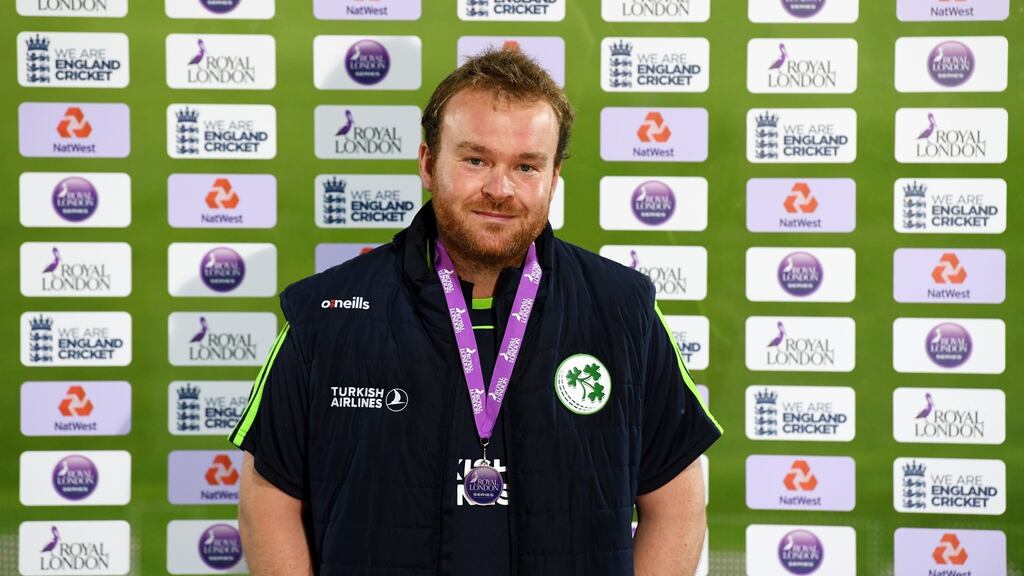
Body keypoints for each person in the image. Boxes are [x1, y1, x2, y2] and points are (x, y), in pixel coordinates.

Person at [229, 48, 722, 576]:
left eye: (526, 166)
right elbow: (269, 499)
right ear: (426, 162)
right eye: (475, 159)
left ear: (554, 178)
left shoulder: (624, 309)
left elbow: (677, 502)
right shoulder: (326, 313)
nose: (499, 189)